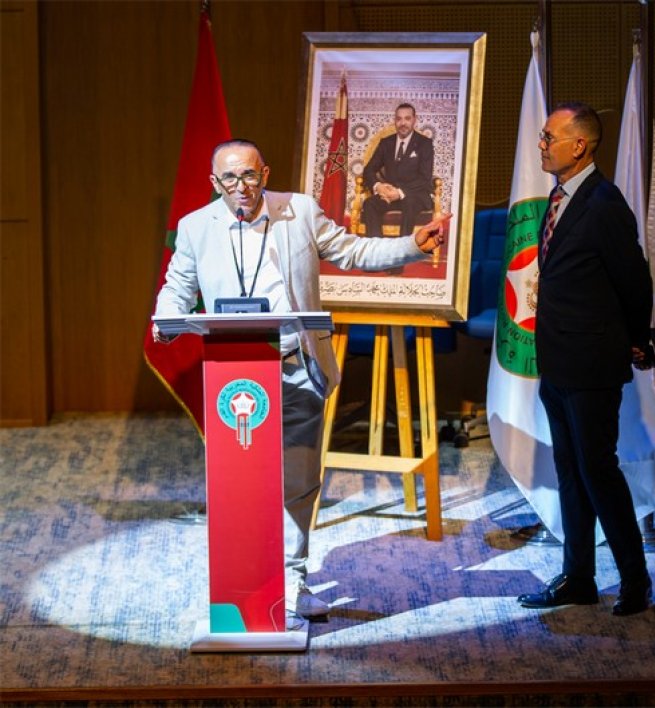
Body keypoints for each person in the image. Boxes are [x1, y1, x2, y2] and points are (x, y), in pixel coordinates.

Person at [152, 138, 444, 624]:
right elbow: (178, 285)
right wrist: (166, 320)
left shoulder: (300, 211)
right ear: (214, 183)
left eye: (249, 175)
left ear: (265, 174)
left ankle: (293, 580)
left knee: (299, 481)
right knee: (240, 483)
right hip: (234, 376)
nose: (241, 186)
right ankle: (243, 583)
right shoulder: (195, 226)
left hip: (296, 363)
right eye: (230, 178)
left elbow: (353, 250)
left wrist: (412, 244)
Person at [517, 103, 655, 617]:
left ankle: (635, 580)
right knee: (571, 473)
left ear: (579, 145)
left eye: (549, 137)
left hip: (592, 366)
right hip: (557, 362)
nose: (541, 145)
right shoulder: (560, 197)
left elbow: (634, 281)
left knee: (598, 471)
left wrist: (638, 339)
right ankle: (579, 577)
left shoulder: (603, 203)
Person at [361, 103, 434, 237]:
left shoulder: (425, 144)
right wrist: (379, 186)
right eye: (399, 119)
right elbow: (369, 170)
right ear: (395, 121)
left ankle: (402, 248)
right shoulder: (386, 143)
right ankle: (377, 246)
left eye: (407, 118)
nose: (403, 123)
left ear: (414, 120)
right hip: (390, 196)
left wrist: (400, 192)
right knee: (369, 203)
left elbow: (425, 178)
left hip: (415, 196)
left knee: (409, 203)